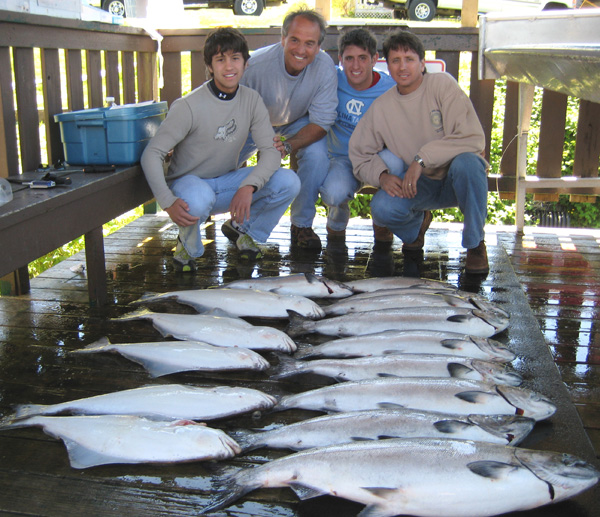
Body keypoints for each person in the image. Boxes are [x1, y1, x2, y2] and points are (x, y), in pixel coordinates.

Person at [140, 27, 300, 272]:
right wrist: (167, 201)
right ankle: (187, 248)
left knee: (288, 180)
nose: (229, 66)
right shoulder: (188, 106)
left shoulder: (251, 100)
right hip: (189, 185)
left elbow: (270, 151)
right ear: (210, 66)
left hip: (226, 183)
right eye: (220, 59)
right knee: (198, 198)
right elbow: (152, 154)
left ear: (246, 64)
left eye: (235, 58)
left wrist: (249, 186)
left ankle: (242, 230)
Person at [349, 29, 490, 275]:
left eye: (410, 59)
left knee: (469, 163)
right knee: (381, 208)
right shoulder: (382, 108)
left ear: (422, 64)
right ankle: (416, 230)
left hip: (457, 179)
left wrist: (421, 158)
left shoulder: (442, 85)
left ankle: (475, 243)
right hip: (418, 185)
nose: (403, 67)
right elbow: (359, 153)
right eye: (395, 60)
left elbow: (472, 139)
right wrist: (381, 176)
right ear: (388, 66)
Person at [236, 8, 338, 251]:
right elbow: (224, 104)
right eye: (294, 40)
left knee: (316, 155)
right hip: (252, 121)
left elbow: (322, 123)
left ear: (319, 46)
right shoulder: (255, 66)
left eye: (309, 43)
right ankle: (235, 220)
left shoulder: (324, 67)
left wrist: (289, 145)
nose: (301, 50)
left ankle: (301, 224)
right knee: (223, 158)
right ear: (282, 38)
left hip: (298, 120)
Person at [319, 28, 395, 244]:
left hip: (376, 158)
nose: (355, 66)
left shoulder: (390, 88)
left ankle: (382, 222)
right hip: (342, 158)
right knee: (334, 193)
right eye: (349, 58)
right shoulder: (331, 79)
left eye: (363, 58)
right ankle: (336, 222)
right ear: (340, 59)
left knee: (398, 165)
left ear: (374, 59)